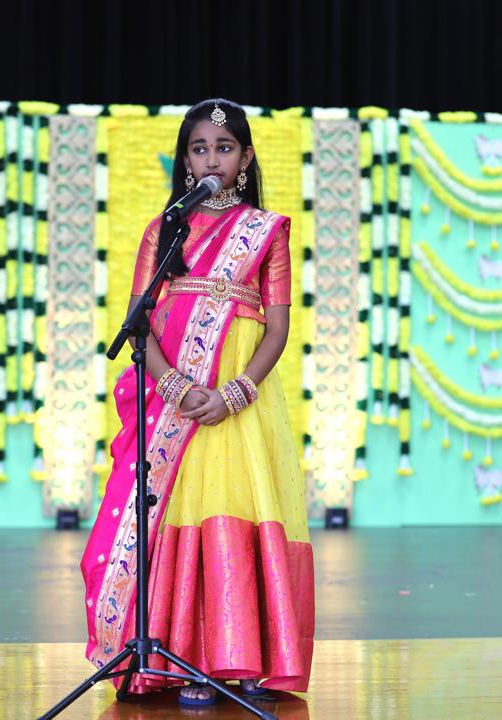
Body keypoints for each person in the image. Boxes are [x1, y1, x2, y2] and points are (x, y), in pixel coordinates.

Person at [81, 99, 314, 707]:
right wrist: (175, 387)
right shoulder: (165, 231)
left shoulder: (267, 230)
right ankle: (178, 659)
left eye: (224, 147)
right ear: (185, 159)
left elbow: (277, 329)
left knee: (233, 509)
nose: (212, 158)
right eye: (200, 148)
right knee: (175, 513)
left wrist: (236, 392)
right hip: (174, 402)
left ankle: (242, 659)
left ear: (246, 157)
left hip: (237, 401)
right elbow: (140, 322)